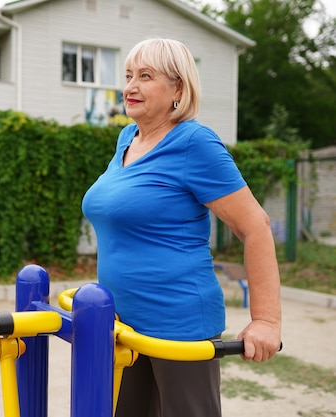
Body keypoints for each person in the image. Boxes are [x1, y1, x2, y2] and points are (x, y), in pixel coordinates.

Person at [81, 38, 282, 417]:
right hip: (122, 326)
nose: (130, 87)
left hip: (179, 325)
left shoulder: (194, 143)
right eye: (128, 76)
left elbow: (256, 226)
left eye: (145, 76)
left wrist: (266, 321)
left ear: (178, 88)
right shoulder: (128, 138)